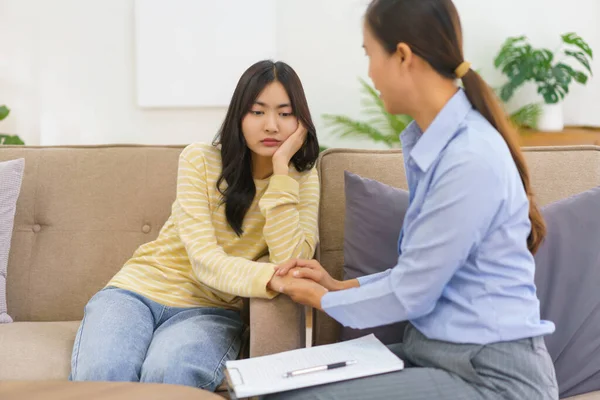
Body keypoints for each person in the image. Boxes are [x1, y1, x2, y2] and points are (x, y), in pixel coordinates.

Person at [268, 0, 559, 398]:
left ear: (402, 56)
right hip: (439, 356)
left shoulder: (469, 157)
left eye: (370, 55)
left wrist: (320, 298)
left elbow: (413, 290)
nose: (370, 73)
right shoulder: (437, 146)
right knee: (283, 386)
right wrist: (339, 287)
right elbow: (421, 270)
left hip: (492, 377)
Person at [69, 60, 321, 392]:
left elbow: (291, 258)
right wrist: (273, 278)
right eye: (257, 112)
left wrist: (280, 172)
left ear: (300, 121)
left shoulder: (301, 179)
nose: (271, 125)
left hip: (210, 310)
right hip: (135, 292)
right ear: (239, 117)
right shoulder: (200, 159)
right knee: (106, 372)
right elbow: (204, 259)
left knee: (171, 376)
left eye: (285, 113)